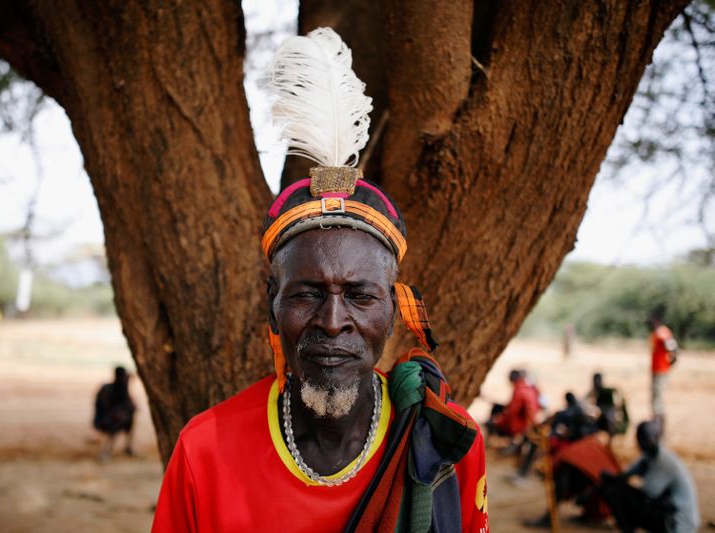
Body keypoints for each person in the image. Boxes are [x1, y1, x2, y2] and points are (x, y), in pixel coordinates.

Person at [152, 27, 487, 533]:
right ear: (272, 304)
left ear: (393, 308)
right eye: (307, 293)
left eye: (360, 296)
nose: (333, 323)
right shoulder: (205, 450)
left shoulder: (446, 442)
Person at [601, 420, 700, 533]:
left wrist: (618, 484)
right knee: (615, 489)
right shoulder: (649, 457)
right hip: (669, 513)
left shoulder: (663, 460)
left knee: (616, 493)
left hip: (678, 521)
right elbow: (626, 475)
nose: (641, 443)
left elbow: (650, 491)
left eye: (644, 439)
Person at [487, 369, 541, 448]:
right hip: (529, 422)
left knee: (491, 422)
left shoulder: (518, 390)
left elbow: (512, 412)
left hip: (519, 425)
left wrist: (498, 420)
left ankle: (491, 443)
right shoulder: (530, 388)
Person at [93, 366, 136, 460]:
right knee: (115, 423)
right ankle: (106, 450)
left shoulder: (122, 390)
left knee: (129, 419)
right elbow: (103, 407)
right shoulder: (107, 389)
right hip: (104, 419)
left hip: (115, 418)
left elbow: (130, 406)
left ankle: (127, 447)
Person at [647, 315, 678, 435]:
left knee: (658, 401)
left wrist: (670, 363)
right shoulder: (657, 333)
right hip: (657, 370)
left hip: (661, 371)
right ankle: (657, 427)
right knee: (655, 399)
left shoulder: (662, 333)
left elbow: (672, 348)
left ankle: (659, 429)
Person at [586, 372, 629, 438]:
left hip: (607, 418)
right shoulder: (597, 392)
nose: (597, 383)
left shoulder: (607, 391)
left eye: (598, 380)